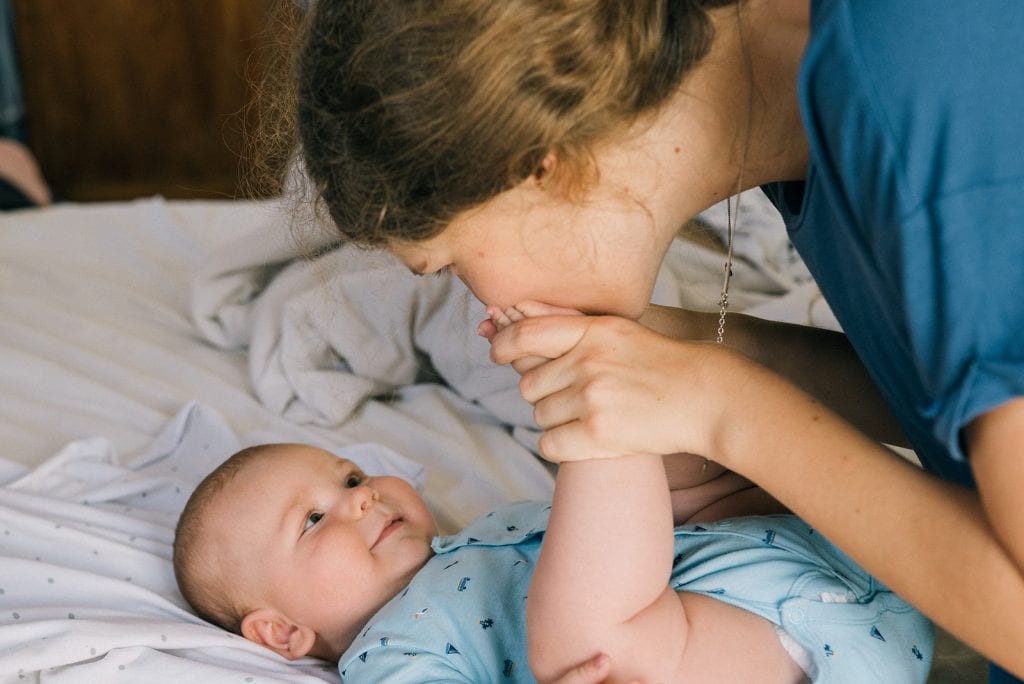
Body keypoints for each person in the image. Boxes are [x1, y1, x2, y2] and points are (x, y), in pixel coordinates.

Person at [289, 1, 1024, 679]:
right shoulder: (800, 112)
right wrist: (708, 355)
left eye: (450, 263)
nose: (483, 301)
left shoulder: (917, 80)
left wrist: (725, 409)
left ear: (537, 168)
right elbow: (960, 402)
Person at [172, 438, 932, 683]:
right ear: (281, 634)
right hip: (754, 653)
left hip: (834, 571)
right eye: (313, 519)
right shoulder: (387, 652)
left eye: (349, 478)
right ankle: (611, 423)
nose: (361, 498)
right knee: (602, 638)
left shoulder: (486, 529)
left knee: (668, 468)